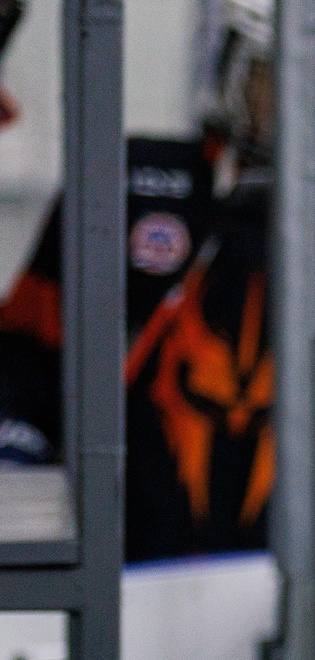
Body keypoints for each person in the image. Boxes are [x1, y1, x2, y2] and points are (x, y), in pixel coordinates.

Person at [0, 0, 274, 561]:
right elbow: (24, 354)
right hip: (127, 568)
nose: (292, 103)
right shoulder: (130, 179)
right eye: (271, 75)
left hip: (288, 576)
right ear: (229, 69)